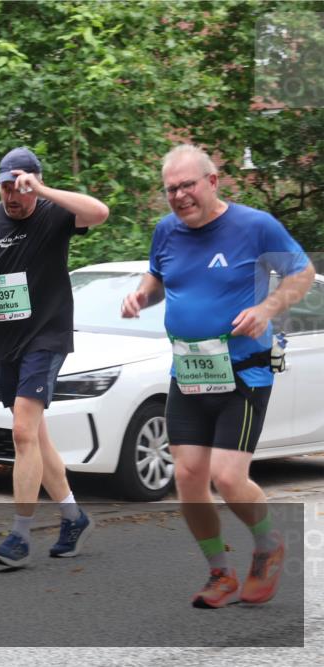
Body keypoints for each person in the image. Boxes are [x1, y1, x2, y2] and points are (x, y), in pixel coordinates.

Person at [121, 144, 314, 608]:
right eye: (171, 189)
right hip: (188, 371)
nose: (180, 195)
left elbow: (302, 273)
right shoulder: (166, 231)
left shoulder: (254, 226)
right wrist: (141, 296)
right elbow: (157, 276)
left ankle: (268, 544)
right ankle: (220, 572)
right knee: (187, 478)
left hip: (244, 374)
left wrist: (266, 309)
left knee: (228, 477)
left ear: (213, 181)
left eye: (188, 185)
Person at [0, 147, 109, 567]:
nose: (11, 195)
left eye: (19, 186)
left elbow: (99, 212)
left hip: (47, 336)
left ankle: (20, 537)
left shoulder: (54, 214)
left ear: (33, 184)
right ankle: (73, 517)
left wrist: (42, 190)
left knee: (23, 431)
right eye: (5, 186)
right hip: (6, 341)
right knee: (35, 437)